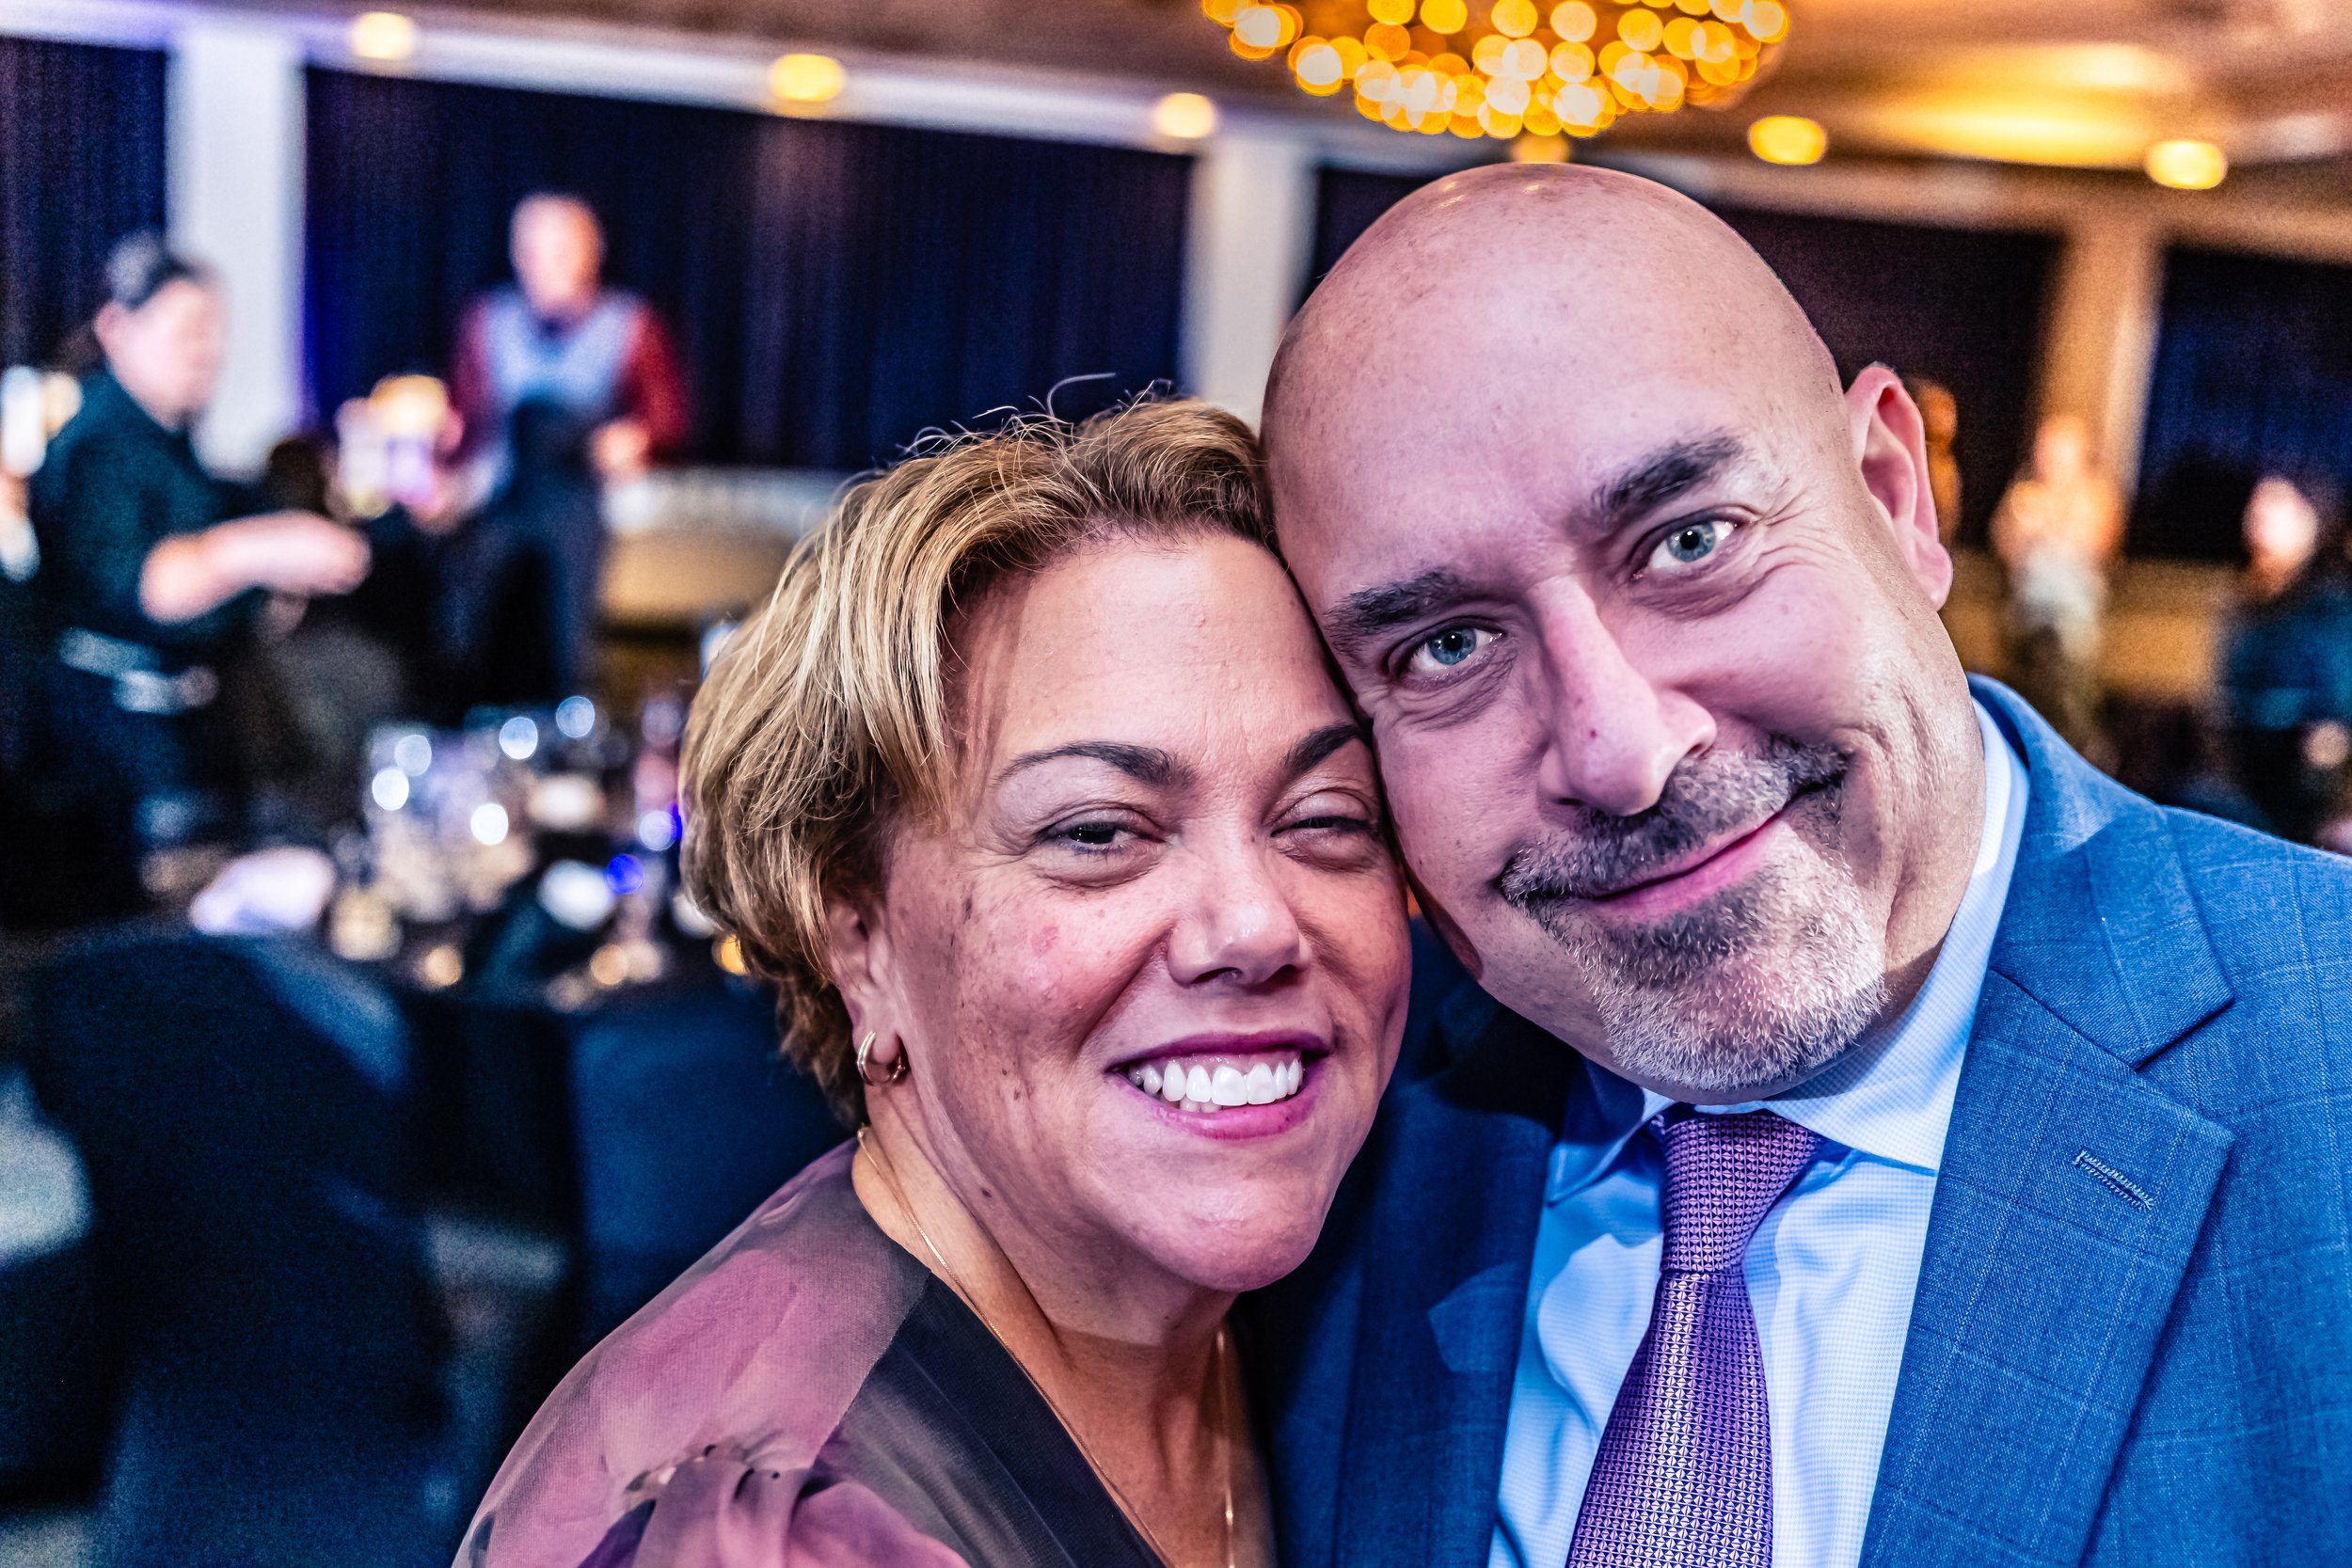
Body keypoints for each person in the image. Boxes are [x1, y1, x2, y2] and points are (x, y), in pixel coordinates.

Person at [1248, 165, 2352, 1568]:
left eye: (1689, 541)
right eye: (1446, 645)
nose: (1617, 748)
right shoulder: (1321, 1136)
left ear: (1896, 497)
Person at [459, 400, 1411, 1568]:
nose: (1256, 923)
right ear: (858, 940)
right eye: (1099, 830)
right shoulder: (771, 1532)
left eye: (1325, 819)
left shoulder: (1279, 1312)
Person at [19, 233, 368, 920]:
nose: (204, 350)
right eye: (185, 330)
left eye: (212, 331)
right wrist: (265, 548)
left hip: (192, 730)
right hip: (112, 757)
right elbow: (147, 585)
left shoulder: (173, 444)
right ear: (118, 328)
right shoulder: (97, 445)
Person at [446, 193, 688, 704]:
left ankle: (572, 729)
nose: (543, 267)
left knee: (568, 628)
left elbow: (669, 419)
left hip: (582, 495)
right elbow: (468, 422)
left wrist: (635, 439)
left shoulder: (630, 324)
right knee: (472, 612)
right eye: (530, 252)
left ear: (590, 253)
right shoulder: (488, 321)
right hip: (507, 491)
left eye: (559, 251)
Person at [2220, 474, 2352, 843]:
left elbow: (2336, 703)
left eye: (2277, 504)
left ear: (2309, 520)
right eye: (2256, 503)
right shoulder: (2244, 597)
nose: (2258, 514)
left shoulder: (2328, 601)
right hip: (2243, 757)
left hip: (2298, 773)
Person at [1990, 411, 2123, 764]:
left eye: (2058, 448)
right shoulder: (2023, 493)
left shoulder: (2095, 494)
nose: (2047, 456)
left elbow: (2099, 542)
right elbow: (2004, 543)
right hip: (2027, 620)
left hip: (2071, 626)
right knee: (2028, 705)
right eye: (2044, 448)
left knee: (2071, 709)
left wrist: (2048, 519)